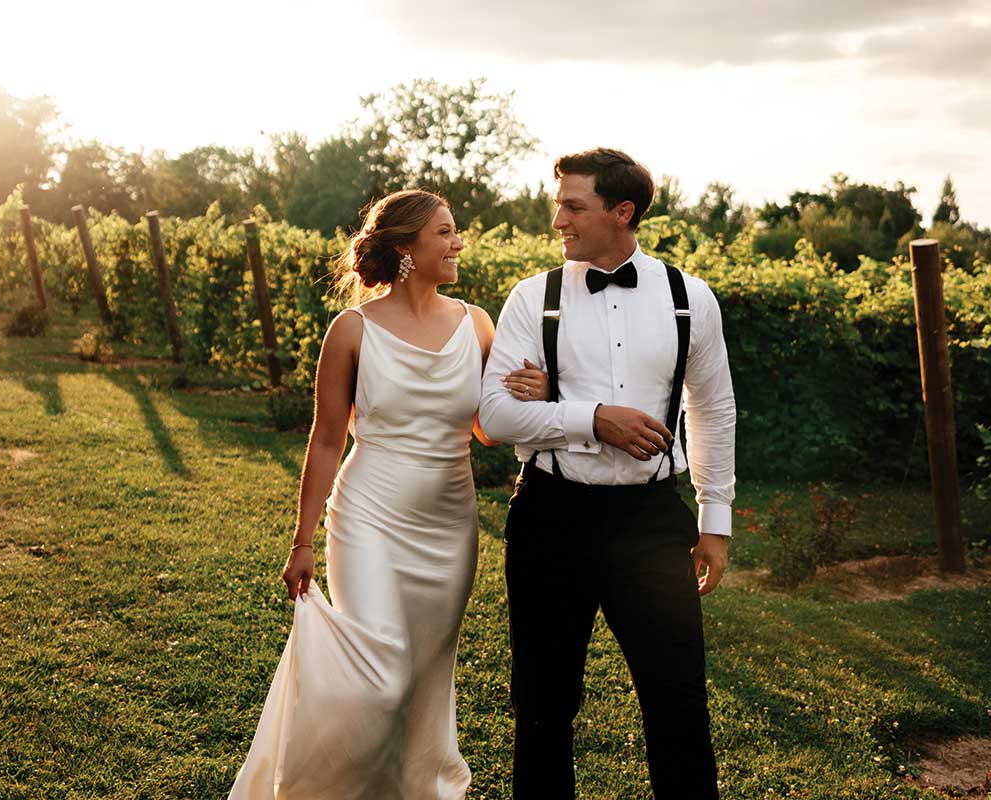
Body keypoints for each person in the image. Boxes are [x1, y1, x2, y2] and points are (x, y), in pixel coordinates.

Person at [228, 190, 550, 799]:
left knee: (427, 676)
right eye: (445, 233)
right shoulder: (351, 331)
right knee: (379, 675)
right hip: (369, 515)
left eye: (457, 233)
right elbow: (326, 441)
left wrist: (532, 391)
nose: (458, 244)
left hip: (449, 521)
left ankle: (412, 790)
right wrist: (302, 542)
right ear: (405, 247)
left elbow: (484, 427)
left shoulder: (476, 323)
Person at [479, 148, 736, 799]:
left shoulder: (690, 300)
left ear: (622, 212)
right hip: (550, 517)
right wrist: (591, 419)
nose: (557, 218)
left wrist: (716, 519)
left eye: (573, 205)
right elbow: (497, 414)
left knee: (678, 701)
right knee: (542, 705)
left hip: (651, 522)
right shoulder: (530, 299)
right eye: (557, 203)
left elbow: (714, 409)